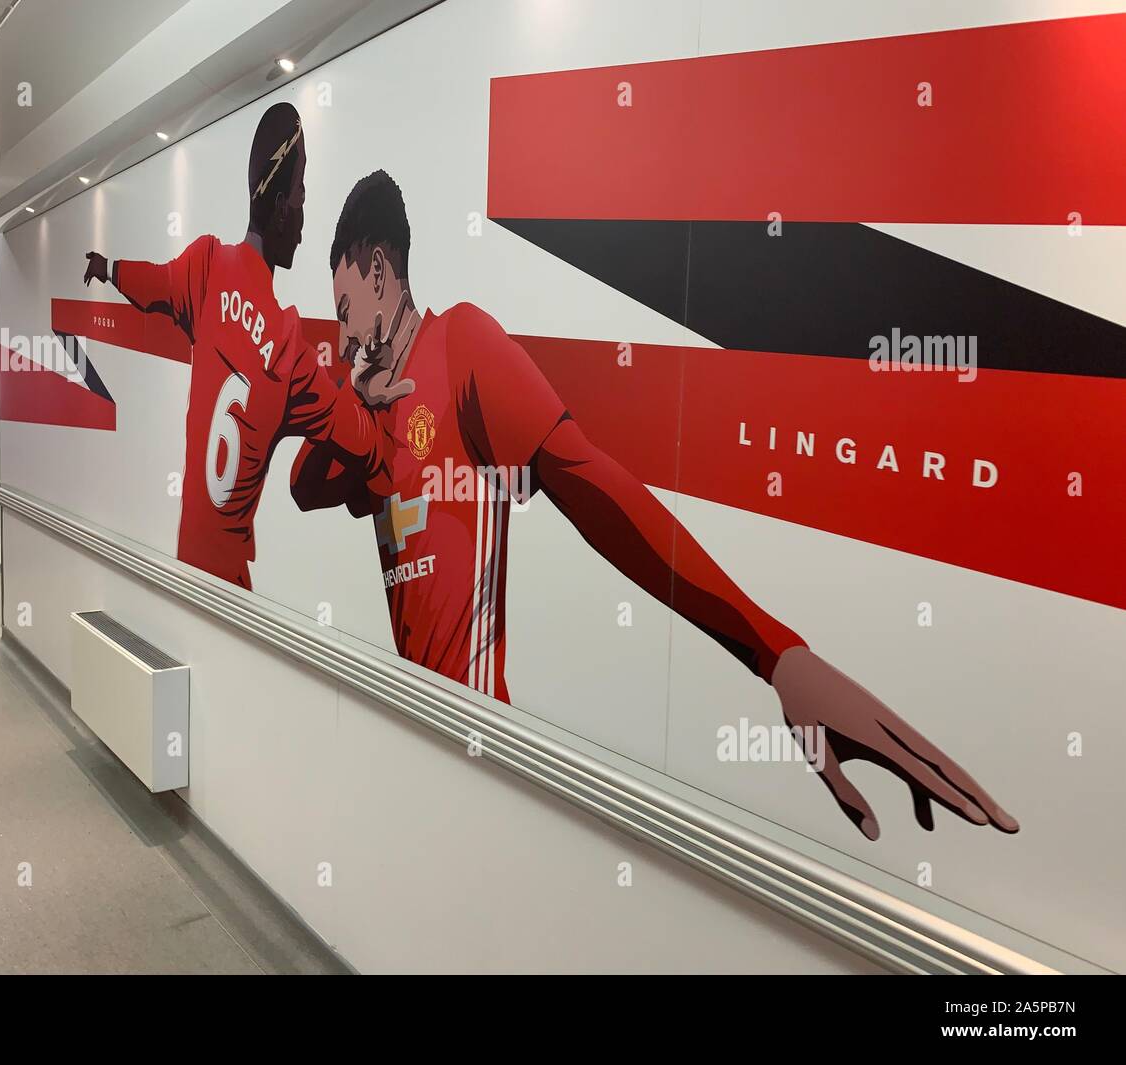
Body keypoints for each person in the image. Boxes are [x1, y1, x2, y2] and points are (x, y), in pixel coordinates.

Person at [291, 170, 1019, 841]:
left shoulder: (462, 344)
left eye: (346, 308)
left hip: (477, 738)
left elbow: (596, 484)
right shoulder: (374, 402)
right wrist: (352, 400)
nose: (344, 333)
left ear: (380, 271)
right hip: (416, 728)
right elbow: (303, 486)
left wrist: (772, 648)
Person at [80, 103, 410, 588]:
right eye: (300, 193)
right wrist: (361, 386)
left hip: (185, 564)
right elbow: (362, 445)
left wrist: (108, 268)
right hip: (229, 587)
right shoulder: (287, 350)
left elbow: (152, 285)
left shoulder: (206, 266)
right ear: (280, 210)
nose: (303, 208)